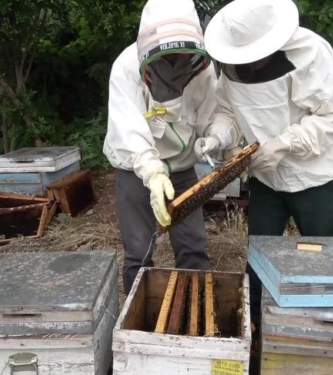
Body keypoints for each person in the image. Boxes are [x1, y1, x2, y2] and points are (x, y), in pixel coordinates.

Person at [103, 0, 235, 294]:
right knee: (139, 252)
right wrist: (153, 174)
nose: (176, 61)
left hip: (183, 168)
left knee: (194, 247)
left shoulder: (201, 69)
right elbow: (131, 132)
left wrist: (214, 137)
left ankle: (197, 313)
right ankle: (138, 327)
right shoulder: (126, 67)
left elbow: (211, 113)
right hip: (136, 170)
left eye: (182, 54)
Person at [195, 0, 333, 238]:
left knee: (322, 257)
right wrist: (217, 137)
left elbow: (332, 116)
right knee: (261, 256)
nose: (247, 61)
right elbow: (230, 112)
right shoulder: (232, 67)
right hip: (264, 178)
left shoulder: (309, 54)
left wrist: (284, 143)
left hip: (311, 176)